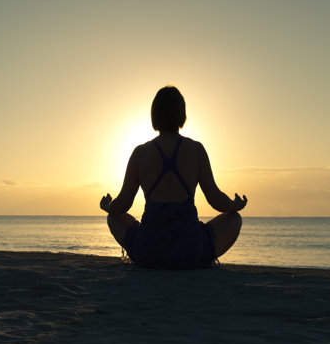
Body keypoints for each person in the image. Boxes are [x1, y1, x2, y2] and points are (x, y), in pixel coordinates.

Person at [99, 86, 246, 268]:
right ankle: (201, 260)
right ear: (182, 114)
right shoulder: (196, 150)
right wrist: (234, 205)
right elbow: (215, 199)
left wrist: (108, 207)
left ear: (154, 115)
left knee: (112, 218)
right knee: (235, 219)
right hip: (190, 250)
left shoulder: (140, 153)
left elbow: (123, 204)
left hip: (149, 251)